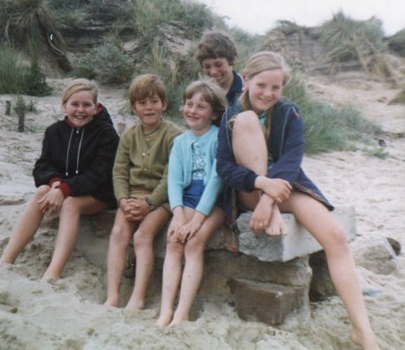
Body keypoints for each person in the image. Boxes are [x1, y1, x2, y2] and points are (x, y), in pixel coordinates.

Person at [216, 51, 380, 350]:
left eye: (275, 87)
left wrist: (271, 200)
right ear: (247, 81)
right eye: (261, 85)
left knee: (336, 237)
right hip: (248, 190)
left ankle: (362, 329)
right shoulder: (230, 114)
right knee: (248, 119)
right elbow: (225, 168)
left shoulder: (289, 112)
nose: (268, 93)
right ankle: (272, 202)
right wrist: (263, 188)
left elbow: (292, 161)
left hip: (285, 187)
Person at [0, 78, 119, 280]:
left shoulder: (106, 134)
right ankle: (6, 260)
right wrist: (55, 184)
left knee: (70, 204)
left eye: (86, 105)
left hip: (99, 193)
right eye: (75, 104)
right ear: (64, 106)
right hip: (65, 187)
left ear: (96, 108)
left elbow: (100, 175)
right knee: (41, 192)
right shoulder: (54, 131)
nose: (80, 110)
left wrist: (63, 190)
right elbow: (42, 166)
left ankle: (53, 273)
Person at [104, 74, 182, 310]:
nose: (149, 107)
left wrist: (150, 203)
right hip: (132, 195)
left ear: (164, 104)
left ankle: (138, 297)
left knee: (142, 236)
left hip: (162, 199)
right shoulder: (128, 136)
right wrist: (122, 200)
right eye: (142, 103)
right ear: (134, 107)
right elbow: (119, 171)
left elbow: (172, 177)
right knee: (118, 233)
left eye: (154, 101)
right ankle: (112, 296)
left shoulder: (174, 135)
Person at [156, 79, 227, 326]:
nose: (192, 111)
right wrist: (178, 215)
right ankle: (166, 309)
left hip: (216, 202)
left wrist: (196, 221)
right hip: (187, 198)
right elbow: (174, 181)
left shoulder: (219, 139)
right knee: (174, 239)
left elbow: (216, 181)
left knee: (194, 241)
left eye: (201, 106)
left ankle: (182, 311)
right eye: (189, 104)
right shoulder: (180, 141)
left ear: (214, 112)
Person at [195, 31, 244, 105]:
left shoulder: (246, 90)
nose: (213, 72)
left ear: (231, 60)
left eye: (219, 64)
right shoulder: (201, 92)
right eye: (207, 66)